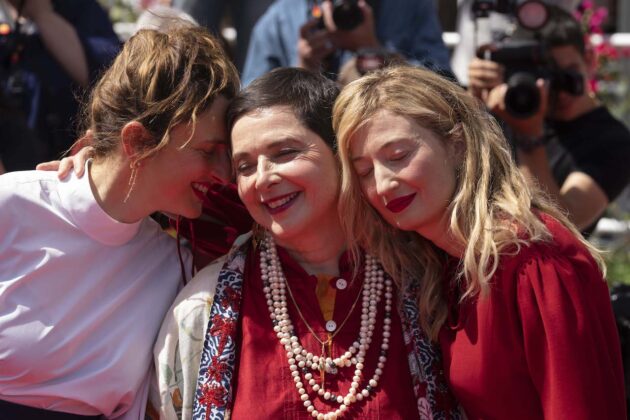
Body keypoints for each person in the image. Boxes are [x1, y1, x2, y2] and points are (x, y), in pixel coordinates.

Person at [151, 67, 461, 420]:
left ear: (339, 153)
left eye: (284, 152)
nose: (264, 178)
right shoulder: (203, 310)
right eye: (245, 166)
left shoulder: (428, 278)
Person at [333, 65, 626, 419]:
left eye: (398, 156)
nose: (382, 183)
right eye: (364, 171)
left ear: (457, 145)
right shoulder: (445, 263)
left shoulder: (534, 259)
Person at [0, 26, 239, 419]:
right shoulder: (13, 204)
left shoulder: (178, 257)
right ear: (138, 142)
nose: (223, 172)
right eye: (207, 151)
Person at [467, 5, 630, 235]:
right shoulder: (507, 104)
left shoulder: (614, 141)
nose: (560, 91)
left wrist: (529, 136)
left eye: (568, 74)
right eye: (547, 78)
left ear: (590, 60)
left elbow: (560, 225)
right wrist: (472, 105)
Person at [0, 0, 120, 173]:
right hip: (14, 170)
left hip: (68, 166)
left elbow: (106, 78)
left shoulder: (78, 10)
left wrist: (42, 13)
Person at [241, 0, 451, 85]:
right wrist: (303, 70)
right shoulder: (280, 19)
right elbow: (252, 110)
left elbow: (447, 89)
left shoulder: (408, 7)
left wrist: (375, 52)